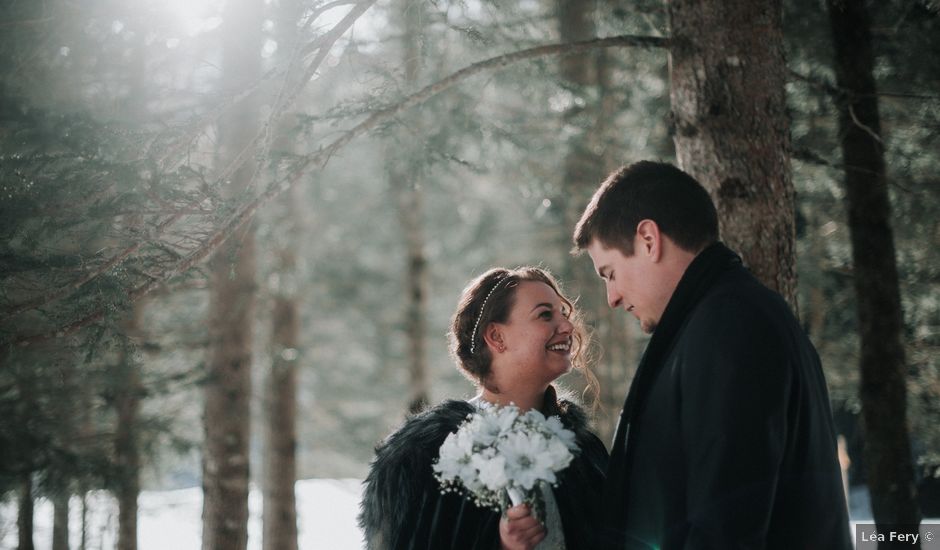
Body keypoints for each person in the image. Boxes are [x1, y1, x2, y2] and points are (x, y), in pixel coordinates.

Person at [572, 161, 852, 549]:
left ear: (649, 240)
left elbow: (726, 526)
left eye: (610, 273)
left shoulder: (731, 327)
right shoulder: (721, 317)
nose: (613, 297)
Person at [358, 266, 609, 550]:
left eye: (563, 313)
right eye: (545, 315)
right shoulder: (421, 455)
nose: (567, 326)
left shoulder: (585, 451)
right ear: (497, 337)